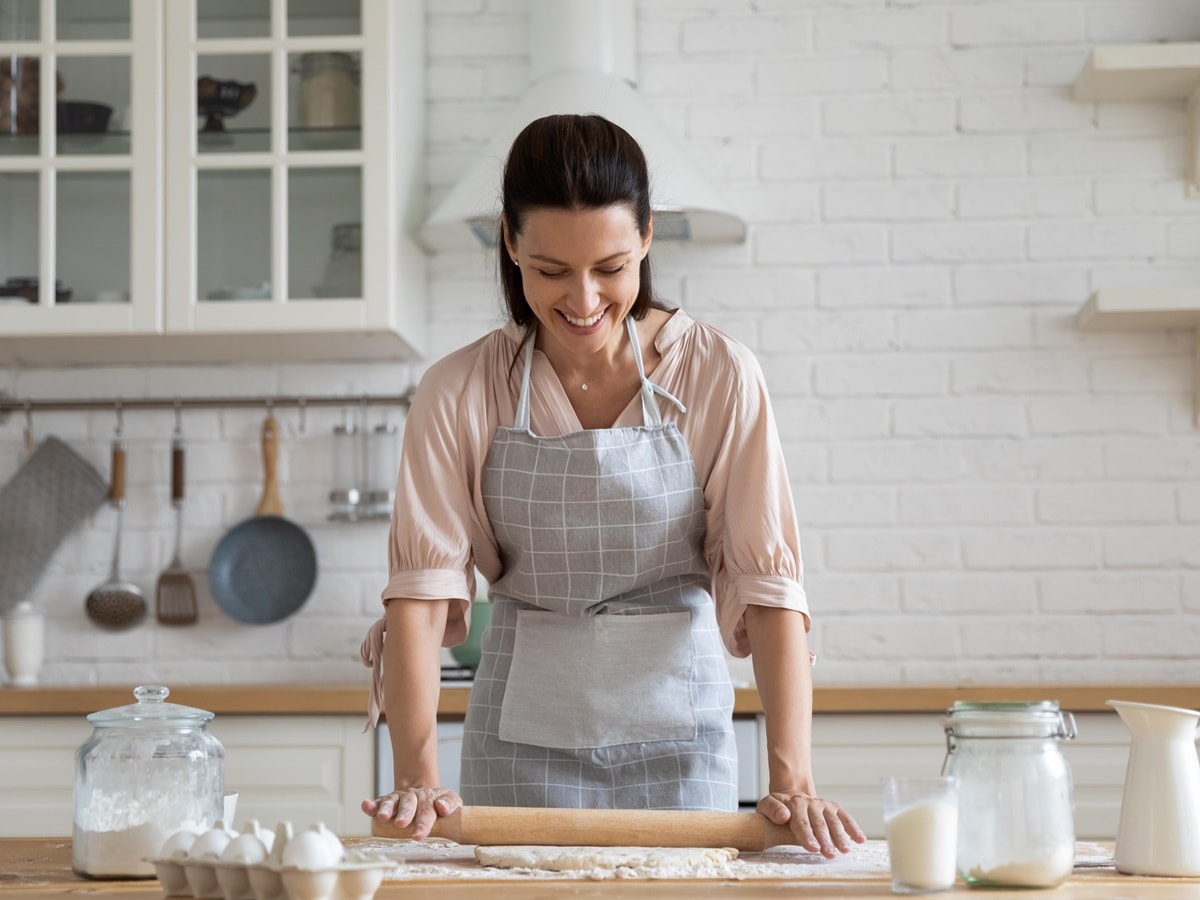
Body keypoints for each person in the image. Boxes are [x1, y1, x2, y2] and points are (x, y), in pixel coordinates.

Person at [359, 113, 865, 858]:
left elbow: (767, 585)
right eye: (551, 271)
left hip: (682, 749)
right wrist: (417, 777)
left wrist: (794, 780)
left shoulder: (718, 374)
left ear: (649, 237)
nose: (585, 300)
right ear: (509, 242)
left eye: (611, 267)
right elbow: (420, 592)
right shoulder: (461, 388)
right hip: (516, 750)